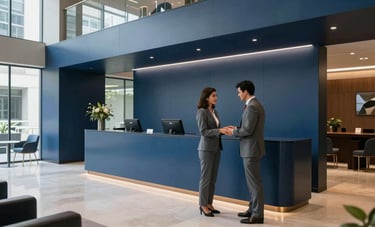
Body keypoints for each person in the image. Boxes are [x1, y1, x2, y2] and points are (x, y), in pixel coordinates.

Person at [228, 80, 265, 224]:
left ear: (246, 92)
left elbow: (248, 130)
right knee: (253, 183)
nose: (238, 95)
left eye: (239, 92)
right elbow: (249, 127)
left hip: (251, 150)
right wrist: (236, 127)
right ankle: (252, 209)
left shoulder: (252, 107)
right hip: (252, 149)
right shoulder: (254, 105)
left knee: (254, 184)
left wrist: (233, 132)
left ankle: (257, 215)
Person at [196, 87, 230, 217]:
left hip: (216, 148)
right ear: (206, 98)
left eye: (216, 95)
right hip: (206, 149)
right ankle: (203, 205)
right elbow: (203, 131)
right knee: (205, 178)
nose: (216, 98)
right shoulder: (201, 112)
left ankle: (209, 203)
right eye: (213, 96)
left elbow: (216, 129)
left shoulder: (215, 112)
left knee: (213, 178)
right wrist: (220, 131)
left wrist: (224, 129)